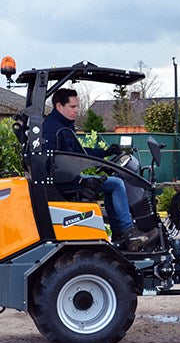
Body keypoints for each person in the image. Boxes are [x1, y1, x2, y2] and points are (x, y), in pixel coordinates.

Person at [42, 88, 157, 250]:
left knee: (112, 185)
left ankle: (119, 233)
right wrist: (81, 180)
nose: (77, 110)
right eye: (73, 107)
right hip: (65, 182)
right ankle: (128, 232)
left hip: (67, 178)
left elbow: (78, 153)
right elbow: (54, 161)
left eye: (77, 106)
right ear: (59, 106)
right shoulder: (53, 129)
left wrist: (105, 153)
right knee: (117, 184)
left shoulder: (62, 126)